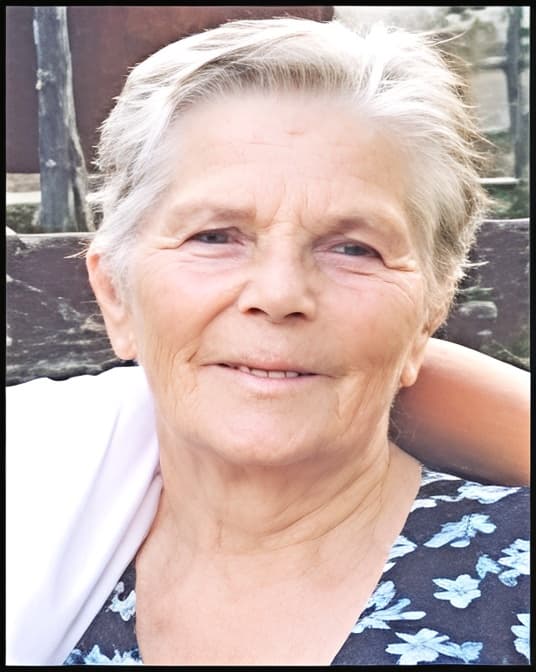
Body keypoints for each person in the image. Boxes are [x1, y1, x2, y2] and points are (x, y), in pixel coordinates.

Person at [6, 17, 529, 666]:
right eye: (214, 236)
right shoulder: (34, 497)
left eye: (353, 248)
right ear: (115, 292)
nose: (279, 294)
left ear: (430, 311)